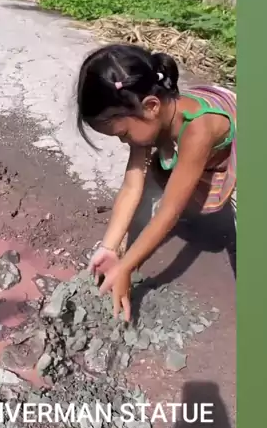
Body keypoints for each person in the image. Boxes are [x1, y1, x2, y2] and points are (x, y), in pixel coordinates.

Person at [76, 43, 236, 321]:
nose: (124, 142)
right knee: (151, 182)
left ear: (151, 106)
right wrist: (109, 247)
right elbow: (132, 187)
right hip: (180, 137)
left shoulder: (198, 130)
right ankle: (130, 253)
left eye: (123, 134)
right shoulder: (145, 116)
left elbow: (169, 211)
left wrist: (126, 268)